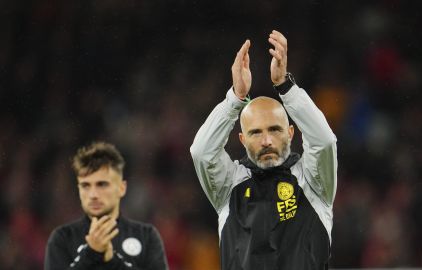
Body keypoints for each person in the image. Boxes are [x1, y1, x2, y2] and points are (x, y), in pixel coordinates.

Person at [190, 30, 338, 270]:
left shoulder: (313, 182)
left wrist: (285, 87)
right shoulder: (229, 186)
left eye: (275, 130)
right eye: (256, 132)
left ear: (290, 133)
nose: (267, 140)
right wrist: (235, 100)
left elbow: (324, 142)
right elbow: (202, 152)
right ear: (242, 139)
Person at [45, 142, 169, 270]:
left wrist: (113, 261)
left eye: (102, 184)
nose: (93, 194)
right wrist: (92, 253)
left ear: (122, 188)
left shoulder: (146, 236)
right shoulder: (63, 238)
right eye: (85, 185)